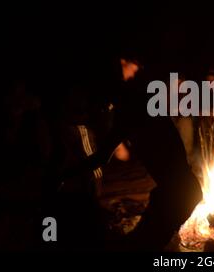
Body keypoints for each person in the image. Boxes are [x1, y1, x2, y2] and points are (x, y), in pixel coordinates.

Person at [85, 54, 203, 251]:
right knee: (144, 242)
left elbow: (101, 157)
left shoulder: (129, 113)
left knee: (140, 245)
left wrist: (64, 174)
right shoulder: (141, 104)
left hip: (177, 194)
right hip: (182, 190)